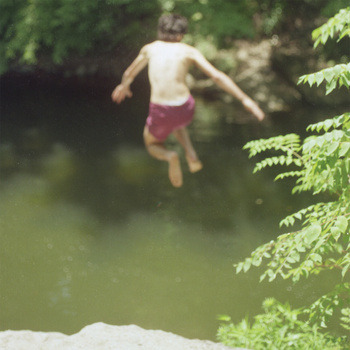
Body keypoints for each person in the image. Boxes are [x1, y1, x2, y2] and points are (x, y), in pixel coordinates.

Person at [111, 14, 265, 188]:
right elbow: (216, 76)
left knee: (152, 144)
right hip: (186, 108)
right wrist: (246, 100)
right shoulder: (189, 51)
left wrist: (124, 86)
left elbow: (128, 74)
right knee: (177, 123)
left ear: (160, 31)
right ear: (181, 35)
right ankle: (190, 153)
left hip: (161, 111)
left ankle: (171, 156)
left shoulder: (150, 49)